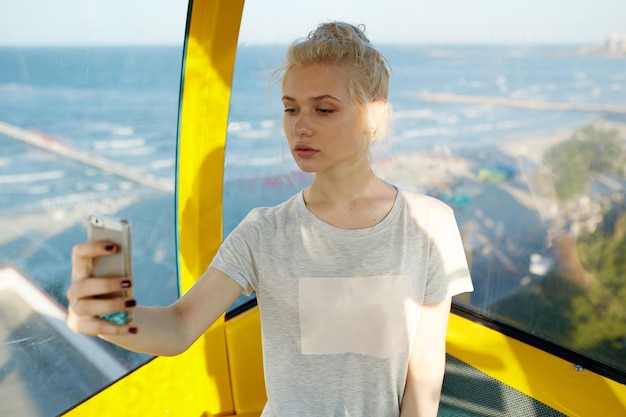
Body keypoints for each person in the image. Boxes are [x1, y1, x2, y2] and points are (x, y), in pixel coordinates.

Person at [67, 21, 473, 417]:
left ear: (375, 117)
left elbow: (424, 372)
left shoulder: (430, 225)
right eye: (291, 108)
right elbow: (179, 326)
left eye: (324, 109)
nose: (301, 125)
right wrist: (111, 318)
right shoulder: (263, 232)